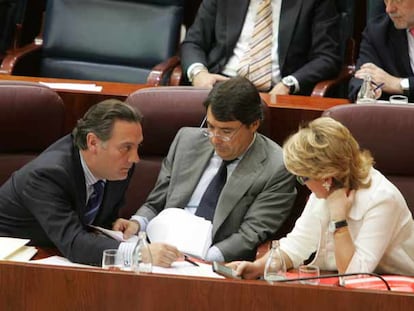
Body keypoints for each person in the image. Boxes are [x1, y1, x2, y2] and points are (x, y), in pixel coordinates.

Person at [115, 76, 297, 263]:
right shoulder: (186, 140)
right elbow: (156, 203)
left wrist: (201, 261)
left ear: (254, 124)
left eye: (226, 131)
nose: (215, 139)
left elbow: (250, 234)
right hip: (159, 247)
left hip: (213, 258)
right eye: (210, 127)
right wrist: (137, 223)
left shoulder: (277, 166)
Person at [229, 117, 414, 279]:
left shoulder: (382, 199)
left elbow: (354, 277)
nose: (303, 184)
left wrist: (339, 221)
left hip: (396, 295)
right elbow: (296, 246)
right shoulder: (326, 190)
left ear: (327, 177)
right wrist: (257, 267)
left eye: (303, 178)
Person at [0, 99, 178, 266]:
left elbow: (97, 220)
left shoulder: (119, 167)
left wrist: (112, 225)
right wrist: (141, 254)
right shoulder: (47, 175)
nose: (135, 158)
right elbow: (75, 243)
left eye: (137, 147)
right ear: (93, 142)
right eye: (126, 148)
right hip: (17, 261)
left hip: (58, 252)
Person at [180, 0, 341, 96]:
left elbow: (327, 57)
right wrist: (199, 74)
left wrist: (289, 84)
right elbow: (193, 42)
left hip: (276, 93)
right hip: (220, 87)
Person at [349, 0, 414, 101]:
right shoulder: (378, 32)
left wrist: (400, 84)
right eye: (386, 0)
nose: (389, 9)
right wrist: (368, 91)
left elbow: (394, 84)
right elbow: (361, 77)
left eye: (398, 1)